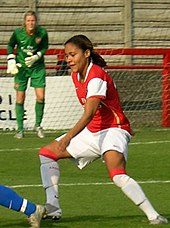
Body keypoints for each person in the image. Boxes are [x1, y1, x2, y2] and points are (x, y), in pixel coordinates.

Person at [38, 34, 168, 224]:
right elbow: (91, 117)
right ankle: (53, 207)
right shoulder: (75, 75)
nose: (69, 60)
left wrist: (68, 137)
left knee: (116, 173)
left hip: (113, 129)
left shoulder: (96, 75)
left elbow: (89, 113)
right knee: (46, 153)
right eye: (66, 56)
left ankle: (154, 216)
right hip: (93, 131)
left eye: (73, 55)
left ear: (87, 53)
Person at [7, 10, 49, 139]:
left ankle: (38, 125)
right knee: (20, 98)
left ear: (36, 22)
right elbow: (10, 45)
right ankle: (20, 129)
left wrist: (37, 56)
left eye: (33, 20)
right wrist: (11, 59)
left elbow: (44, 46)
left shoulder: (42, 33)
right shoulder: (18, 33)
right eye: (28, 20)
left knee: (40, 97)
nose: (31, 23)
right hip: (22, 68)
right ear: (24, 22)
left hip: (37, 67)